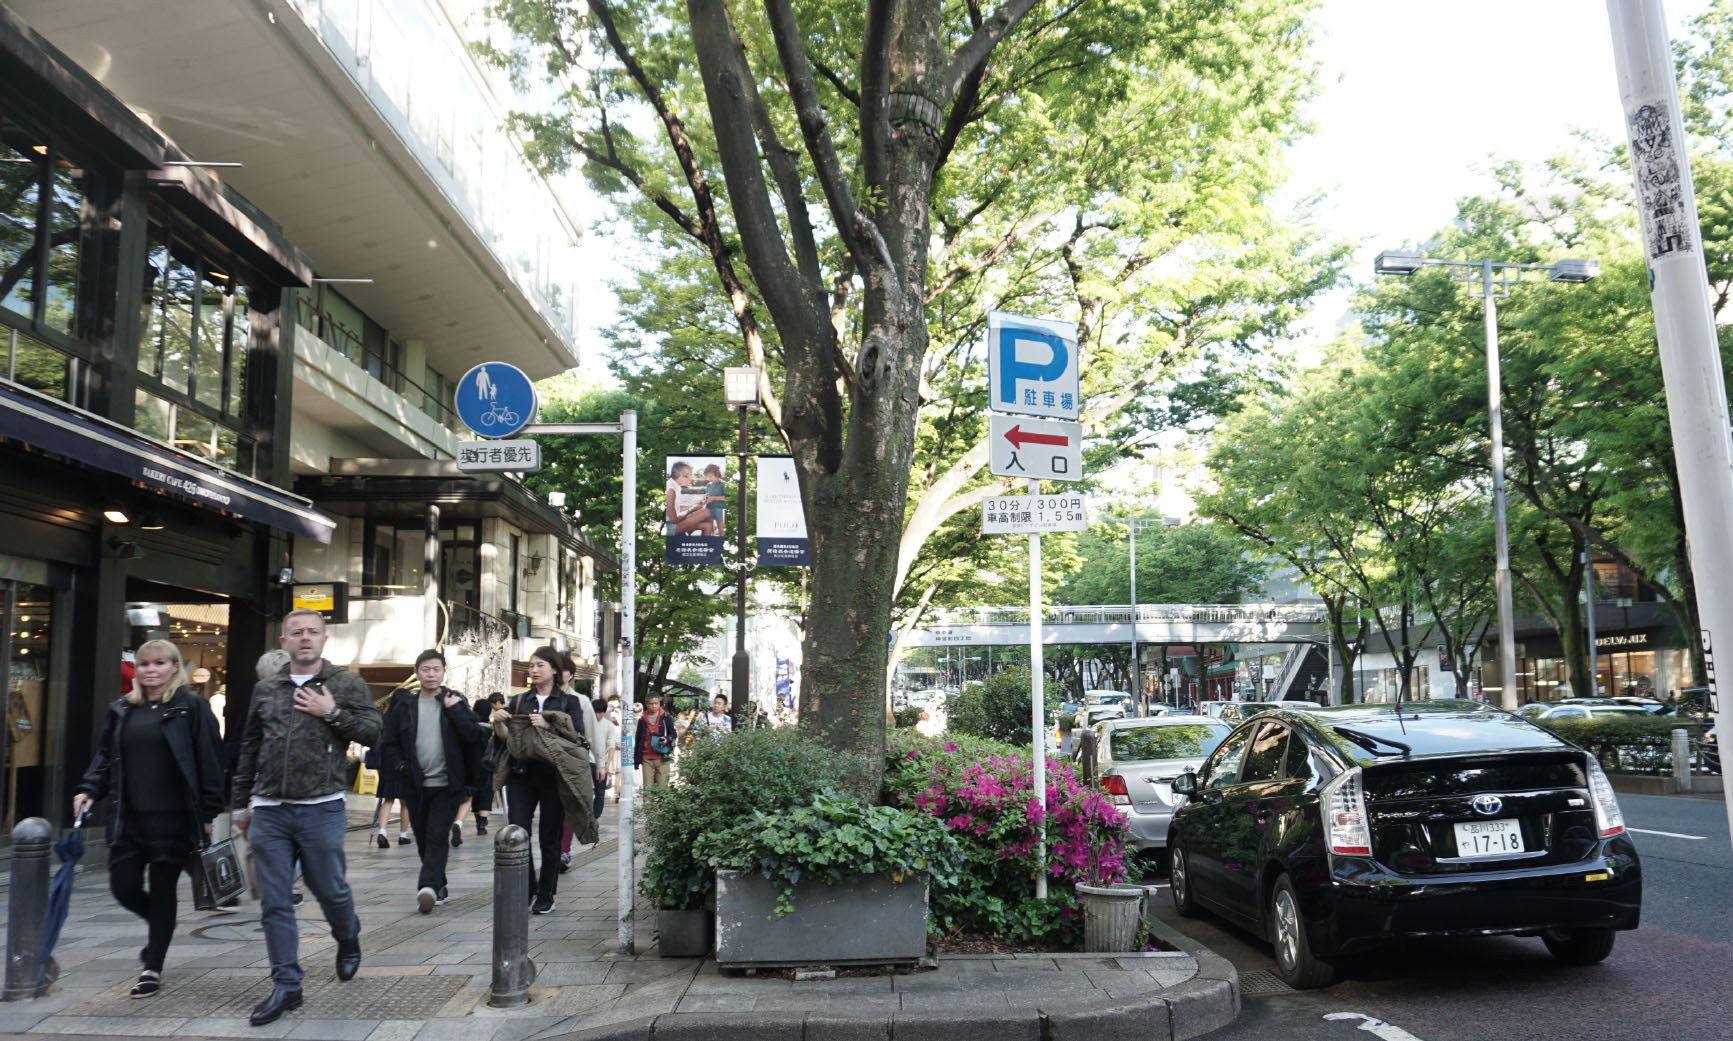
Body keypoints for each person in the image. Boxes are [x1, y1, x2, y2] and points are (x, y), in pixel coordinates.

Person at [231, 609, 383, 1026]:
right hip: (269, 810)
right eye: (296, 632)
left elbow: (373, 733)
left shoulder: (344, 682)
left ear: (323, 639)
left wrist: (330, 712)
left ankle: (347, 934)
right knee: (275, 901)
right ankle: (287, 984)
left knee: (329, 888)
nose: (304, 638)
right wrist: (241, 804)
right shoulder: (267, 689)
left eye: (312, 632)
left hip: (322, 807)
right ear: (284, 641)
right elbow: (249, 747)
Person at [73, 639, 223, 999]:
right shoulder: (123, 709)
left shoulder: (192, 708)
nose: (151, 670)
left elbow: (210, 762)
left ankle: (152, 966)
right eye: (144, 664)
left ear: (174, 668)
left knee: (163, 890)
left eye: (159, 663)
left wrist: (208, 812)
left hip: (174, 820)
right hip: (129, 818)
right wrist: (89, 789)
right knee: (122, 887)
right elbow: (106, 758)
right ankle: (160, 926)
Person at [380, 650, 482, 914]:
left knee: (437, 835)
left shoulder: (455, 700)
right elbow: (389, 743)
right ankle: (440, 884)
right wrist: (401, 765)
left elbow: (473, 736)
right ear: (417, 672)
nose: (431, 674)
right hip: (415, 784)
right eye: (426, 669)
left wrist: (455, 711)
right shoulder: (403, 706)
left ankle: (427, 887)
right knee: (424, 839)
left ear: (443, 671)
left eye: (436, 669)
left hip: (448, 784)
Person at [491, 647, 592, 914]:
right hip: (521, 775)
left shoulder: (569, 703)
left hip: (554, 776)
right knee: (518, 833)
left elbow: (578, 739)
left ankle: (547, 893)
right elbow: (508, 739)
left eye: (540, 665)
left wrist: (550, 726)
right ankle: (527, 889)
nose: (534, 670)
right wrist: (499, 723)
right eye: (531, 666)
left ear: (555, 670)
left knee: (550, 836)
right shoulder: (519, 701)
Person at [469, 692, 506, 834]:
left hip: (472, 765)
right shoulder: (492, 729)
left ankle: (478, 819)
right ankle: (482, 824)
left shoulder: (470, 728)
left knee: (475, 793)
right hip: (488, 765)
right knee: (486, 793)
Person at [634, 694, 677, 788]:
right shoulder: (642, 719)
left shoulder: (666, 717)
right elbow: (638, 739)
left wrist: (667, 739)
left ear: (659, 703)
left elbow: (673, 734)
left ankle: (662, 803)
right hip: (647, 758)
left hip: (662, 758)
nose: (654, 706)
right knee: (648, 789)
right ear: (646, 704)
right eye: (651, 703)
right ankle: (648, 803)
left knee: (662, 789)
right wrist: (636, 759)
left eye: (656, 703)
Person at [664, 461, 714, 536]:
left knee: (707, 526)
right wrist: (692, 509)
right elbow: (674, 519)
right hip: (672, 528)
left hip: (676, 523)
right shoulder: (671, 489)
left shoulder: (675, 486)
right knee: (707, 512)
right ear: (681, 475)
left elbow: (677, 509)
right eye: (690, 474)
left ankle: (703, 546)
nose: (691, 478)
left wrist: (696, 506)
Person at [590, 696, 617, 818]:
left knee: (600, 792)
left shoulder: (609, 726)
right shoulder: (586, 723)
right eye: (596, 712)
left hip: (601, 763)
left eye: (600, 712)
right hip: (586, 761)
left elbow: (611, 746)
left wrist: (608, 763)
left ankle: (595, 817)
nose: (597, 715)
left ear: (604, 712)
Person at [702, 463, 727, 534]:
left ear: (717, 474)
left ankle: (721, 536)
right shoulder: (708, 485)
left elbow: (725, 498)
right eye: (707, 477)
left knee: (719, 523)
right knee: (709, 524)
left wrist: (714, 498)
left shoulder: (722, 484)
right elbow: (707, 495)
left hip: (718, 507)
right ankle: (711, 537)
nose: (709, 478)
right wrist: (704, 500)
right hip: (709, 507)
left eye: (710, 476)